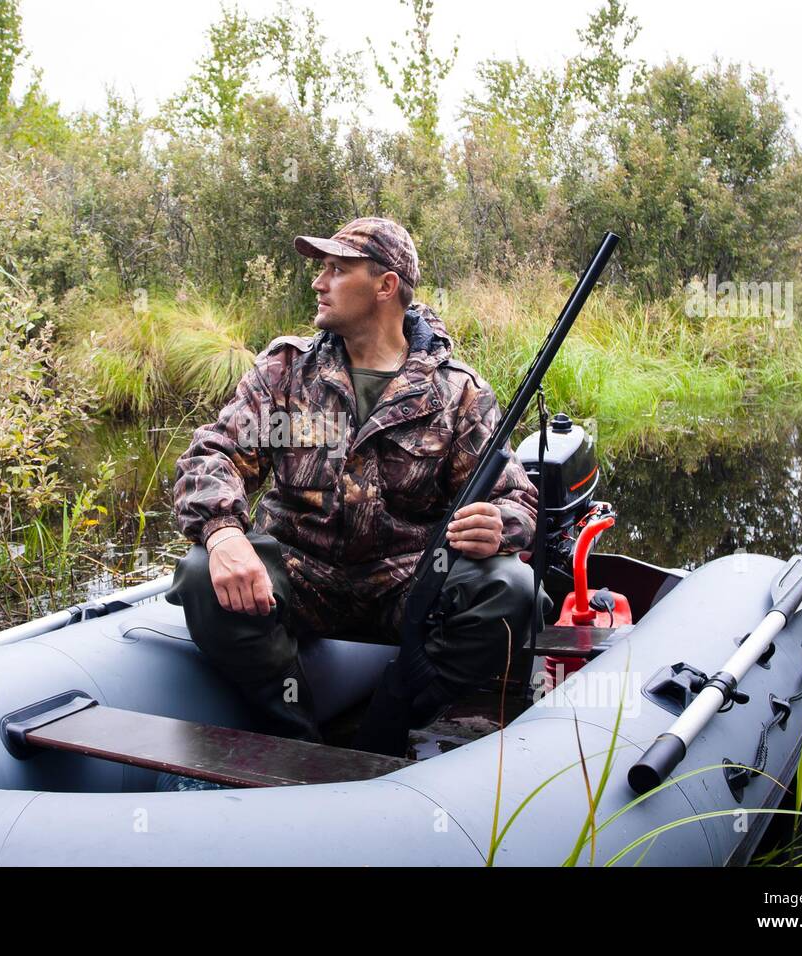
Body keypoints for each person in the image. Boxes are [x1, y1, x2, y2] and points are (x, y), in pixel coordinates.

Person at [166, 216, 545, 757]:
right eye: (322, 269)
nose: (318, 283)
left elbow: (517, 496)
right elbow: (212, 454)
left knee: (510, 589)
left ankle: (397, 722)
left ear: (385, 286)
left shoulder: (457, 391)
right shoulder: (285, 370)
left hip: (407, 581)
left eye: (336, 270)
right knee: (203, 573)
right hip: (299, 573)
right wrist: (223, 533)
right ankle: (295, 737)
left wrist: (499, 525)